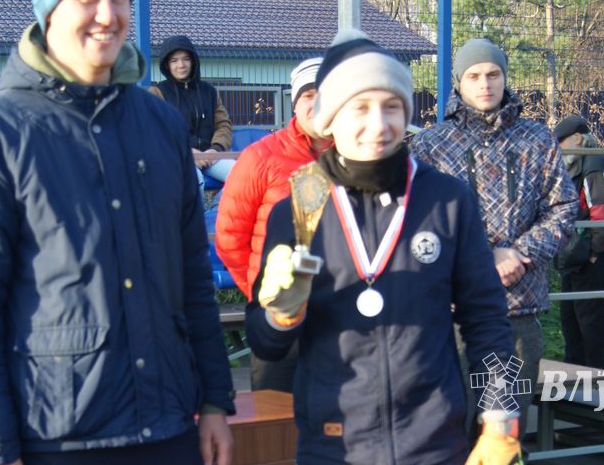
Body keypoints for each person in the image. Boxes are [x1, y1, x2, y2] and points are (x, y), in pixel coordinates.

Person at [0, 0, 235, 465]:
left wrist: (216, 398)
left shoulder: (160, 124)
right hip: (58, 437)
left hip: (169, 426)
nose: (108, 14)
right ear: (49, 10)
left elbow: (192, 275)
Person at [245, 30, 517, 464]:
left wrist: (503, 416)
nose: (379, 124)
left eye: (392, 106)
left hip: (433, 445)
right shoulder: (299, 204)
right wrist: (281, 315)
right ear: (330, 117)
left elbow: (487, 318)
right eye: (360, 108)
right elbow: (264, 343)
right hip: (335, 447)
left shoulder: (446, 199)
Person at [410, 38, 578, 440]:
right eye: (474, 76)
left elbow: (564, 208)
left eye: (493, 74)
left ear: (504, 78)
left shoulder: (537, 140)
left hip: (517, 309)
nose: (484, 83)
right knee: (445, 429)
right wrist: (483, 258)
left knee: (505, 433)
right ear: (459, 82)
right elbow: (418, 224)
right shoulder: (432, 145)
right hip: (450, 312)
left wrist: (518, 253)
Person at [216, 57, 330, 392]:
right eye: (309, 95)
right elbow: (229, 238)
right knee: (275, 426)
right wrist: (264, 293)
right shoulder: (260, 157)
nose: (318, 103)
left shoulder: (355, 159)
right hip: (278, 315)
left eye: (325, 93)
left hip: (338, 317)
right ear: (295, 103)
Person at [553, 115, 604, 370]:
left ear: (578, 138)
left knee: (589, 320)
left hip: (587, 255)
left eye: (561, 142)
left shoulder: (593, 165)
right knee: (571, 319)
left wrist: (593, 253)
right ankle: (575, 375)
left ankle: (596, 377)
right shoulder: (576, 165)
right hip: (573, 255)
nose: (558, 148)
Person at [150, 34, 235, 189]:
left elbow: (223, 125)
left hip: (211, 156)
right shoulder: (157, 92)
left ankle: (224, 212)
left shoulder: (209, 91)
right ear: (167, 65)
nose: (181, 65)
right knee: (194, 181)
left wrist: (215, 150)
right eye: (174, 60)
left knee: (243, 175)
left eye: (186, 59)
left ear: (193, 61)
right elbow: (155, 132)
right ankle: (196, 214)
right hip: (179, 157)